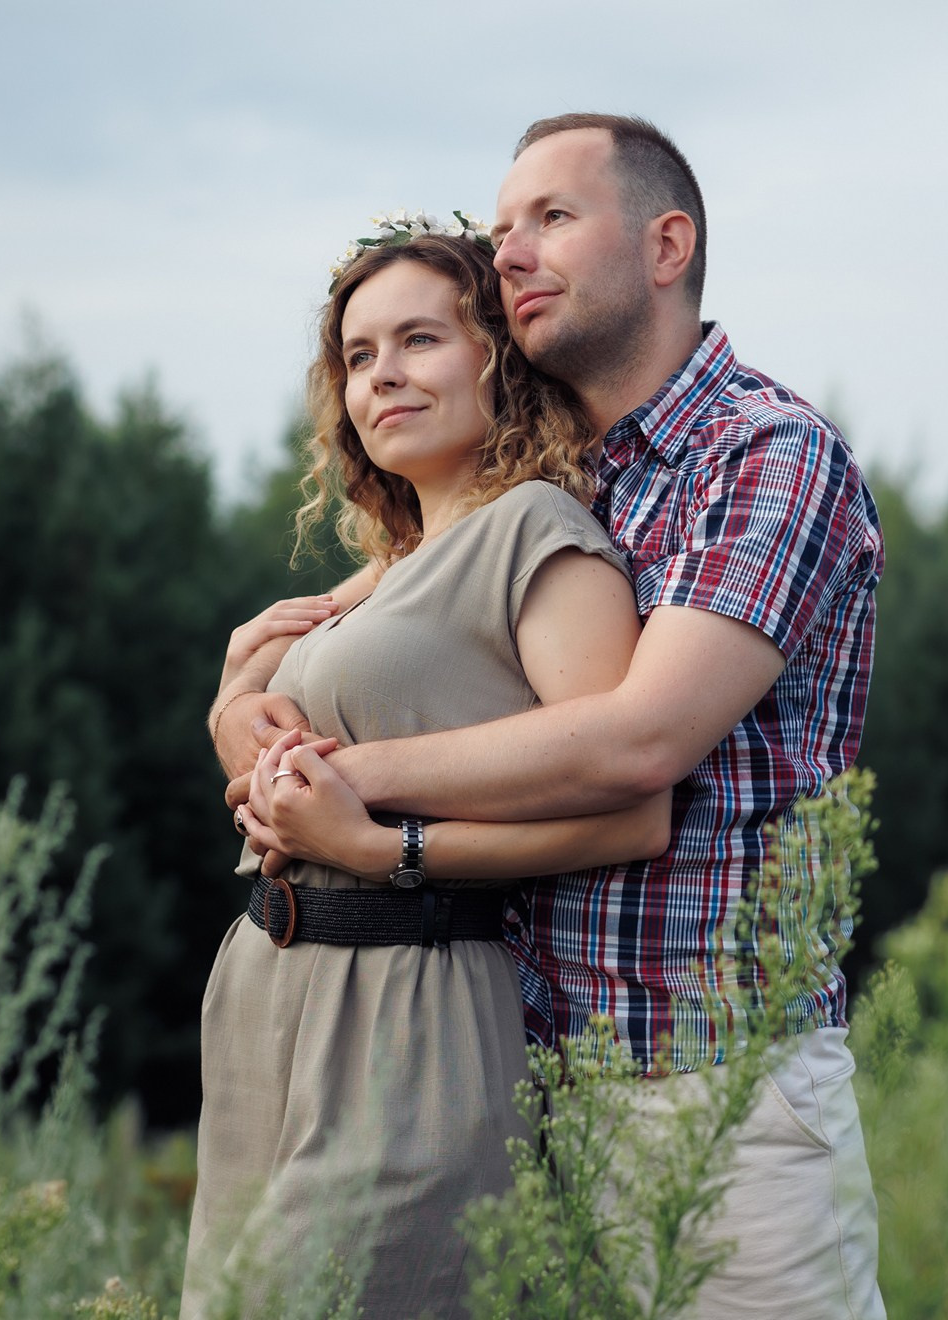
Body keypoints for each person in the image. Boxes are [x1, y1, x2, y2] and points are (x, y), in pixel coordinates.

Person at [216, 115, 888, 1317]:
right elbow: (376, 623)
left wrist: (360, 795)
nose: (509, 247)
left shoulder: (766, 456)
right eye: (503, 221)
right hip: (527, 1071)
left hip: (714, 1079)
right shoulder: (568, 472)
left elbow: (641, 743)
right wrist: (247, 708)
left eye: (552, 218)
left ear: (667, 243)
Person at [181, 213, 672, 1319]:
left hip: (413, 999)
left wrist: (380, 842)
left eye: (419, 341)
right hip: (268, 987)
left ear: (499, 357)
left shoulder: (538, 533)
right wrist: (234, 707)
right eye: (358, 357)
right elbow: (281, 753)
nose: (382, 377)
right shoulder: (387, 571)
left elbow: (631, 808)